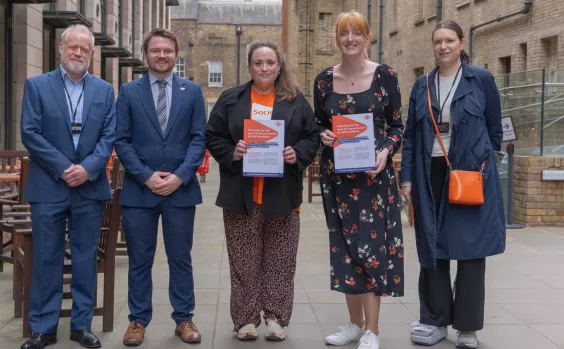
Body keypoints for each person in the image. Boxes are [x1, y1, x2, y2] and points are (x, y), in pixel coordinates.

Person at [205, 39, 320, 341]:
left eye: (270, 62)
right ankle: (244, 320)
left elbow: (313, 135)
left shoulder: (295, 100)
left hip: (282, 194)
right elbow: (212, 135)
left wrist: (298, 153)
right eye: (259, 63)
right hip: (241, 195)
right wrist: (233, 151)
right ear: (249, 66)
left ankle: (276, 319)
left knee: (281, 261)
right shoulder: (231, 99)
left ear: (279, 65)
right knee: (243, 261)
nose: (265, 68)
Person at [401, 20, 505, 349]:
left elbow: (494, 128)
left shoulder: (481, 80)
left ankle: (468, 328)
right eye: (437, 41)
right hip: (428, 173)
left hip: (469, 174)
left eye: (449, 40)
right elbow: (410, 136)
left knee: (471, 251)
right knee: (433, 248)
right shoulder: (423, 84)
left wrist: (488, 165)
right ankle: (434, 321)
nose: (443, 46)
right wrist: (406, 177)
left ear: (461, 43)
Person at [20, 24, 116, 349]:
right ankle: (43, 329)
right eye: (72, 47)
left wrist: (88, 169)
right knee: (46, 257)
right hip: (48, 186)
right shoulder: (36, 86)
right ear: (60, 49)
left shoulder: (104, 91)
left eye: (84, 48)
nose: (77, 53)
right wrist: (64, 169)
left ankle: (81, 326)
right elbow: (30, 133)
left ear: (91, 53)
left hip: (89, 189)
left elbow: (109, 137)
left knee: (86, 257)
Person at [313, 11, 405, 349]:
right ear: (337, 39)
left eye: (356, 33)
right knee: (344, 249)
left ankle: (373, 330)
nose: (349, 39)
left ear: (368, 38)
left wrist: (386, 152)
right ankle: (353, 324)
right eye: (343, 34)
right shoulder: (324, 80)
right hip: (336, 178)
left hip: (373, 178)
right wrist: (322, 134)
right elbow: (317, 123)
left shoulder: (385, 77)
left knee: (371, 248)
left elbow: (397, 126)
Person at [114, 28, 206, 346]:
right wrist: (146, 176)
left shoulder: (191, 91)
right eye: (156, 50)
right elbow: (121, 140)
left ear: (175, 55)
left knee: (180, 258)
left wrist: (180, 176)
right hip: (141, 192)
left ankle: (184, 319)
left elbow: (198, 139)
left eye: (167, 50)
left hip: (180, 191)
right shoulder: (128, 92)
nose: (162, 56)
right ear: (146, 54)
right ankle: (137, 321)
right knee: (140, 259)